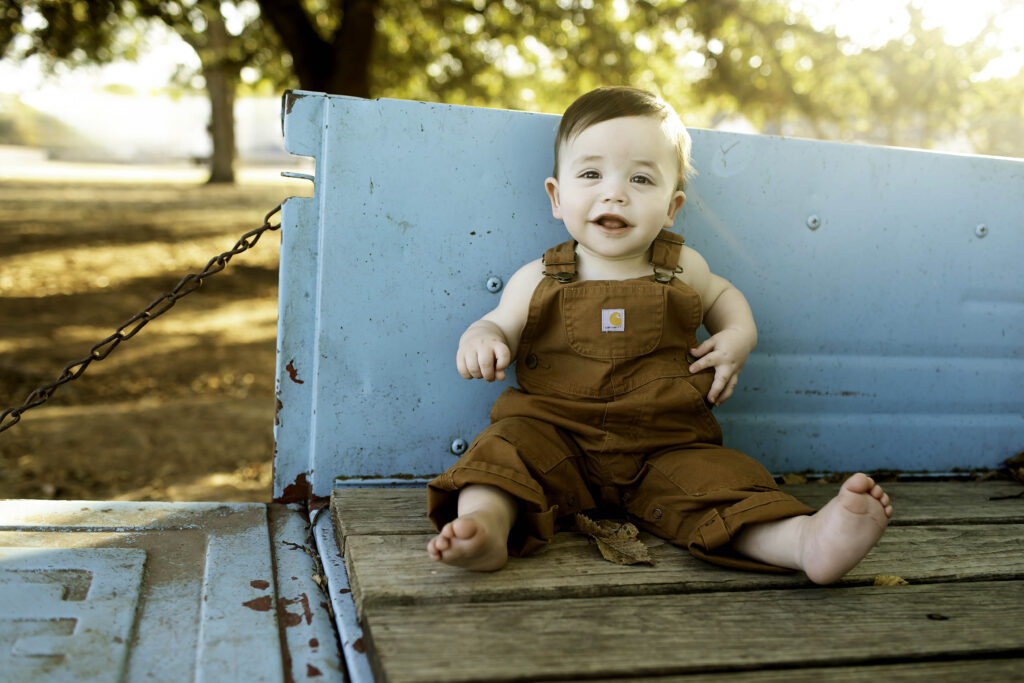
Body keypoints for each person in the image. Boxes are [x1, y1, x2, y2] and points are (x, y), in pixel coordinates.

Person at [426, 86, 892, 584]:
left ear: (672, 207)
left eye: (641, 179)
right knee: (503, 450)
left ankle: (803, 541)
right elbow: (500, 322)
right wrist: (483, 337)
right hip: (556, 439)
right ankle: (486, 525)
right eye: (590, 174)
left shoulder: (684, 267)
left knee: (723, 483)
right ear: (557, 197)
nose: (615, 192)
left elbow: (724, 297)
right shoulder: (538, 276)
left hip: (667, 447)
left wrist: (738, 336)